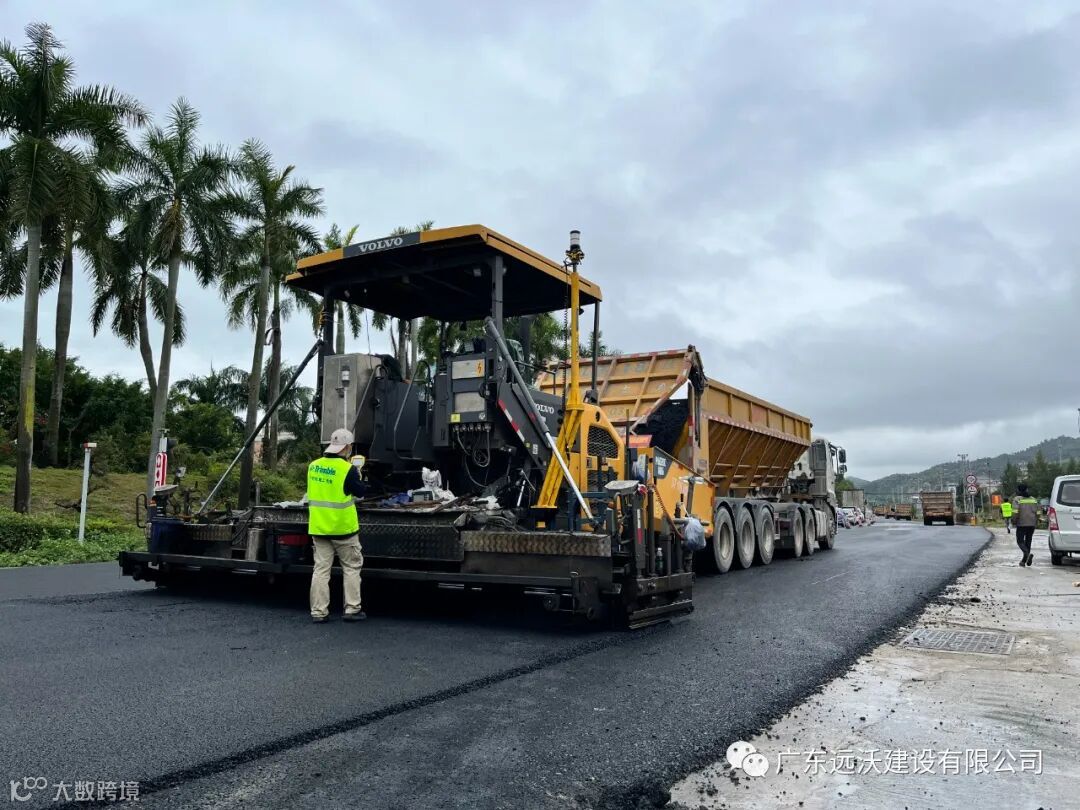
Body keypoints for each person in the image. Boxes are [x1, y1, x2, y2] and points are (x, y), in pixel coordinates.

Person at [307, 428, 368, 623]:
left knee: (320, 570)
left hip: (319, 528)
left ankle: (318, 612)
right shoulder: (347, 469)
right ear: (348, 447)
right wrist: (358, 476)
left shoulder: (313, 466)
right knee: (351, 568)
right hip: (343, 529)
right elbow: (360, 492)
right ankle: (352, 609)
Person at [1011, 483, 1038, 567]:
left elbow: (1015, 512)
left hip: (1021, 523)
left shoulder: (1017, 499)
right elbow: (1038, 512)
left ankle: (1027, 554)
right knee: (1028, 541)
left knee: (1020, 541)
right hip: (1032, 524)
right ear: (1027, 489)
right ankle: (1024, 561)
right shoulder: (1033, 499)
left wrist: (1014, 520)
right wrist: (1036, 521)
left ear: (1018, 490)